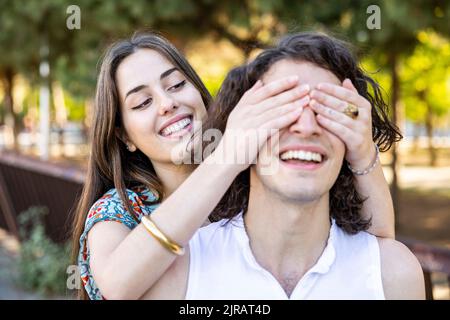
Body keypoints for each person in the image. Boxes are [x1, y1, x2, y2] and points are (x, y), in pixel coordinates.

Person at [72, 31, 398, 300]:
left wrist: (361, 149)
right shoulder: (119, 212)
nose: (168, 103)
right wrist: (228, 156)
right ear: (124, 137)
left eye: (176, 85)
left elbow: (372, 251)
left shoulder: (255, 175)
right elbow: (116, 285)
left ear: (199, 93)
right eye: (143, 102)